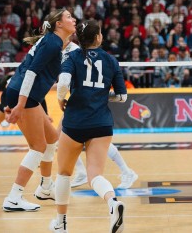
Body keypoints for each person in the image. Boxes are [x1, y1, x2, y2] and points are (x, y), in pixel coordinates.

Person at [50, 20, 127, 233]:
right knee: (95, 176)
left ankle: (61, 223)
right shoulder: (111, 60)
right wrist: (102, 96)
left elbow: (64, 83)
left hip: (75, 122)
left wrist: (59, 99)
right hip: (101, 123)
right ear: (98, 37)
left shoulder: (73, 56)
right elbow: (122, 97)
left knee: (64, 173)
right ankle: (112, 202)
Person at [2, 9, 76, 212]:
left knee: (52, 139)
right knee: (38, 147)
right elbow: (31, 73)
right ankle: (14, 197)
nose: (74, 19)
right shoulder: (52, 43)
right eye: (69, 16)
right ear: (58, 24)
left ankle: (45, 187)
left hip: (26, 95)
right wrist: (20, 104)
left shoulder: (55, 42)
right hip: (24, 96)